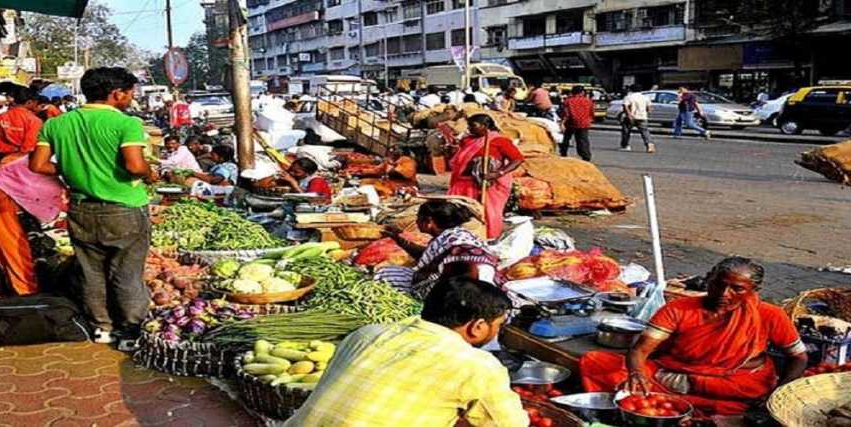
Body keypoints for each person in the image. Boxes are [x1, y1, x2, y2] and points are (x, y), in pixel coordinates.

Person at [284, 276, 528, 427]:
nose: (496, 334)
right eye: (496, 326)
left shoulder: (367, 333)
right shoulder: (477, 365)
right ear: (478, 327)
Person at [28, 67, 158, 350]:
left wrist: (73, 169)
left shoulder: (56, 124)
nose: (131, 99)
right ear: (116, 94)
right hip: (124, 208)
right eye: (130, 93)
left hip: (81, 209)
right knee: (127, 272)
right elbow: (135, 166)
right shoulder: (127, 124)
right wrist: (149, 173)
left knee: (91, 272)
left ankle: (102, 328)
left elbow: (37, 165)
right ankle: (130, 331)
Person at [580, 257, 808, 416]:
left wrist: (780, 390)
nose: (724, 294)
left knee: (750, 393)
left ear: (752, 290)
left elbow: (798, 357)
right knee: (596, 362)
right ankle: (694, 406)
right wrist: (637, 372)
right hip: (676, 374)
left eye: (736, 289)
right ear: (709, 280)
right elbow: (641, 350)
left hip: (733, 382)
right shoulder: (679, 308)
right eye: (718, 285)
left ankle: (670, 403)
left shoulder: (770, 314)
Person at [0, 157, 67, 295]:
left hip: (14, 186)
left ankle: (25, 288)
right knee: (14, 247)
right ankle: (27, 294)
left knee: (14, 246)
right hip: (3, 190)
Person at [378, 200, 499, 300]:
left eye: (419, 218)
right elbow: (426, 256)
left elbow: (425, 270)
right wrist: (398, 239)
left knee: (386, 275)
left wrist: (419, 282)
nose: (416, 222)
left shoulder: (447, 240)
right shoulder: (457, 233)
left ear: (429, 222)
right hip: (486, 285)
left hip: (467, 290)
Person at [447, 114, 525, 239]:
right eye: (469, 126)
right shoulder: (468, 140)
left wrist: (498, 173)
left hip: (485, 185)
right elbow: (458, 158)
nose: (469, 129)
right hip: (462, 183)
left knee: (487, 213)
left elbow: (517, 159)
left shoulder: (499, 141)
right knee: (459, 213)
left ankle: (488, 238)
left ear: (485, 126)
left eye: (473, 126)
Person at [0, 85, 43, 164]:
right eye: (36, 103)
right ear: (29, 102)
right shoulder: (34, 121)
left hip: (3, 159)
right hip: (24, 162)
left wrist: (7, 149)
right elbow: (29, 147)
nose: (36, 105)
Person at [348, 146, 418, 196]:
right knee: (364, 182)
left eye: (394, 153)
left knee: (374, 188)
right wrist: (360, 171)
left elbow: (406, 174)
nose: (392, 155)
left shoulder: (408, 161)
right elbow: (377, 170)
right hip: (388, 183)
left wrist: (395, 165)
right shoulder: (390, 161)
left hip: (404, 185)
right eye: (391, 153)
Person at [559, 86, 595, 161]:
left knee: (566, 138)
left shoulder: (568, 101)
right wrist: (590, 120)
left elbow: (566, 114)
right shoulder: (588, 101)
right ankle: (586, 156)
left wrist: (562, 123)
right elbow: (591, 113)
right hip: (584, 123)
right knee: (583, 140)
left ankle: (563, 153)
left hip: (571, 123)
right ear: (582, 92)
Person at [620, 84, 655, 153]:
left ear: (631, 90)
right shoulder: (645, 97)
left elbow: (625, 106)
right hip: (642, 116)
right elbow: (649, 108)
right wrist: (646, 112)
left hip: (631, 117)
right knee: (645, 131)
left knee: (626, 131)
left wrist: (629, 114)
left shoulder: (628, 97)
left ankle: (625, 145)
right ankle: (649, 144)